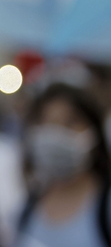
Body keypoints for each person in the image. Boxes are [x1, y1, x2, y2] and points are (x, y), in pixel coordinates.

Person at [16, 83, 111, 247]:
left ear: (94, 132)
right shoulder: (28, 207)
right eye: (48, 124)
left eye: (70, 122)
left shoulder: (105, 206)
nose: (58, 133)